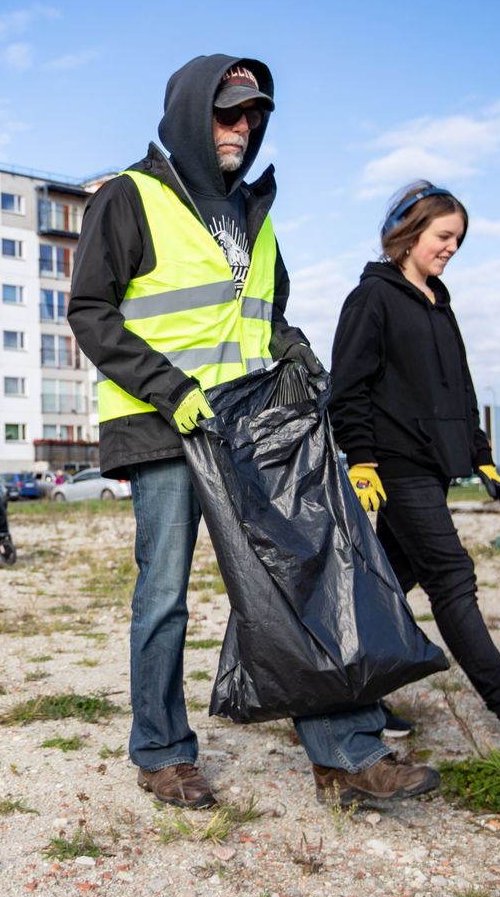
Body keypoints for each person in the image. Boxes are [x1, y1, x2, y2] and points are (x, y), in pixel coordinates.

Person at [68, 54, 437, 810]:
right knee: (165, 595)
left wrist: (292, 346)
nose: (241, 127)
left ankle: (347, 755)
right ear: (189, 115)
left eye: (252, 115)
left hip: (250, 429)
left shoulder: (253, 216)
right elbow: (91, 312)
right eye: (226, 112)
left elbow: (264, 317)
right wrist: (171, 390)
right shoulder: (131, 199)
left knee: (296, 578)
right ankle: (162, 753)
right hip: (163, 426)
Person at [330, 179, 500, 752]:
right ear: (408, 229)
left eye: (459, 240)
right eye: (444, 235)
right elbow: (348, 389)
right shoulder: (371, 299)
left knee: (387, 585)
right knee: (451, 578)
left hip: (433, 468)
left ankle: (344, 696)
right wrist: (363, 461)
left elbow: (460, 393)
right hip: (394, 467)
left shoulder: (438, 304)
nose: (452, 247)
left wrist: (483, 459)